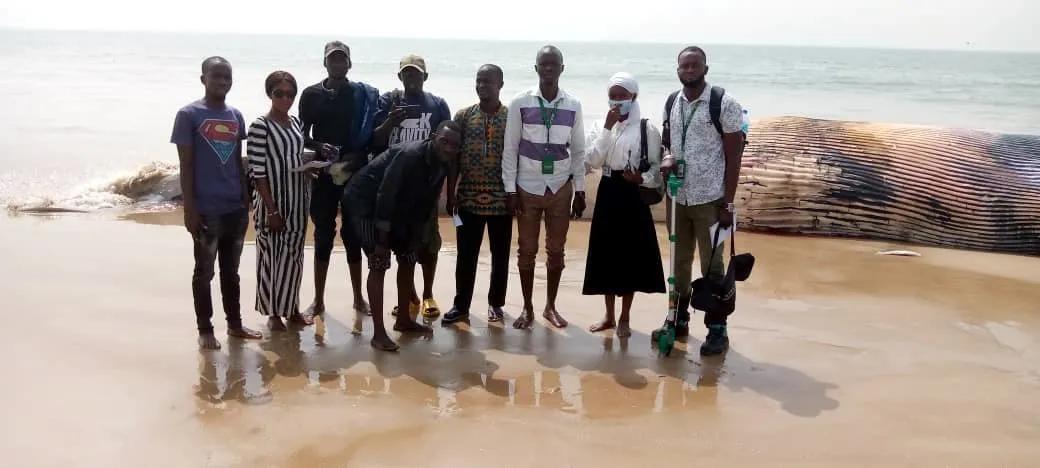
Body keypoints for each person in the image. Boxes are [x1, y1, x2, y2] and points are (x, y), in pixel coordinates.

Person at [171, 56, 263, 350]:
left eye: (227, 77)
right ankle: (205, 329)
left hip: (234, 208)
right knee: (204, 272)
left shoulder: (236, 116)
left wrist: (245, 200)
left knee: (231, 272)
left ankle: (234, 325)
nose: (223, 81)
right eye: (217, 76)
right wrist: (190, 209)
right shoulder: (188, 115)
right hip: (206, 210)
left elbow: (237, 161)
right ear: (203, 79)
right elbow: (185, 166)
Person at [344, 121, 462, 351]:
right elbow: (386, 193)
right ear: (433, 137)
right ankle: (379, 334)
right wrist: (382, 240)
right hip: (365, 203)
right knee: (379, 262)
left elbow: (428, 200)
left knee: (408, 257)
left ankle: (403, 320)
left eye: (454, 145)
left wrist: (416, 235)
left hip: (400, 208)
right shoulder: (410, 155)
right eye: (444, 141)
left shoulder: (445, 161)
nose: (449, 148)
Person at [660, 46, 745, 356]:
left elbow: (735, 157)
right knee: (678, 262)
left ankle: (717, 329)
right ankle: (677, 319)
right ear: (677, 70)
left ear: (705, 69)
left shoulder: (724, 103)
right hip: (677, 198)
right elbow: (667, 142)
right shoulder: (672, 101)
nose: (690, 70)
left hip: (711, 200)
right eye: (684, 66)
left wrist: (729, 204)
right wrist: (667, 157)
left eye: (695, 65)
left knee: (713, 265)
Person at [502, 45, 587, 330]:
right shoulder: (520, 102)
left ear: (562, 68)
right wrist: (510, 190)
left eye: (554, 64)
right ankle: (527, 308)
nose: (548, 68)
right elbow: (510, 149)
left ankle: (550, 306)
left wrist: (580, 190)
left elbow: (578, 151)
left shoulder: (573, 104)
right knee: (526, 250)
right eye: (544, 64)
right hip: (527, 187)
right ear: (536, 68)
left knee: (556, 250)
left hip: (560, 188)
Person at [298, 41, 380, 322]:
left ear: (349, 64)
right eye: (332, 59)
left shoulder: (361, 94)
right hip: (323, 172)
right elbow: (302, 135)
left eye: (342, 59)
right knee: (323, 234)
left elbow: (370, 136)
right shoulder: (310, 95)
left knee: (353, 234)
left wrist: (357, 157)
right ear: (325, 63)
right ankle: (318, 300)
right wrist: (318, 146)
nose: (337, 63)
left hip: (354, 172)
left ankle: (359, 298)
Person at [583, 72, 666, 338]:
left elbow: (656, 167)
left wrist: (641, 178)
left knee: (630, 255)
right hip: (608, 190)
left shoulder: (646, 129)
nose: (617, 100)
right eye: (613, 96)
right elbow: (593, 160)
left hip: (633, 194)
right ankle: (608, 315)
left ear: (634, 96)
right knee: (606, 253)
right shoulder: (600, 125)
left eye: (623, 96)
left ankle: (625, 317)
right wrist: (607, 128)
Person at [371, 54, 452, 320]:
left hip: (426, 189)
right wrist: (390, 122)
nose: (412, 78)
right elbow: (375, 139)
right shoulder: (388, 101)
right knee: (402, 247)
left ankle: (428, 294)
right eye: (407, 73)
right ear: (400, 76)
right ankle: (410, 296)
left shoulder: (438, 105)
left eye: (416, 73)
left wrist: (447, 187)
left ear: (425, 77)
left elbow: (449, 147)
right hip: (395, 188)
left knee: (429, 245)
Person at [247, 71, 319, 331]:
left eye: (290, 94)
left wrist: (308, 170)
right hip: (273, 202)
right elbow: (257, 172)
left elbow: (293, 157)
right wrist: (271, 209)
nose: (285, 99)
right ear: (270, 94)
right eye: (279, 94)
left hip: (298, 200)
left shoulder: (296, 122)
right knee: (271, 258)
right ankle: (273, 314)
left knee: (293, 257)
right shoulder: (260, 126)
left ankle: (292, 309)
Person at [442, 64, 512, 325]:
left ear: (500, 85)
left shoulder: (511, 118)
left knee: (500, 257)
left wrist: (514, 193)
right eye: (479, 81)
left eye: (488, 81)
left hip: (501, 200)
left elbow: (516, 158)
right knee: (465, 256)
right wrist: (451, 193)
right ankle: (461, 306)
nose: (482, 86)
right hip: (468, 199)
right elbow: (453, 159)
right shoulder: (463, 116)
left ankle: (496, 304)